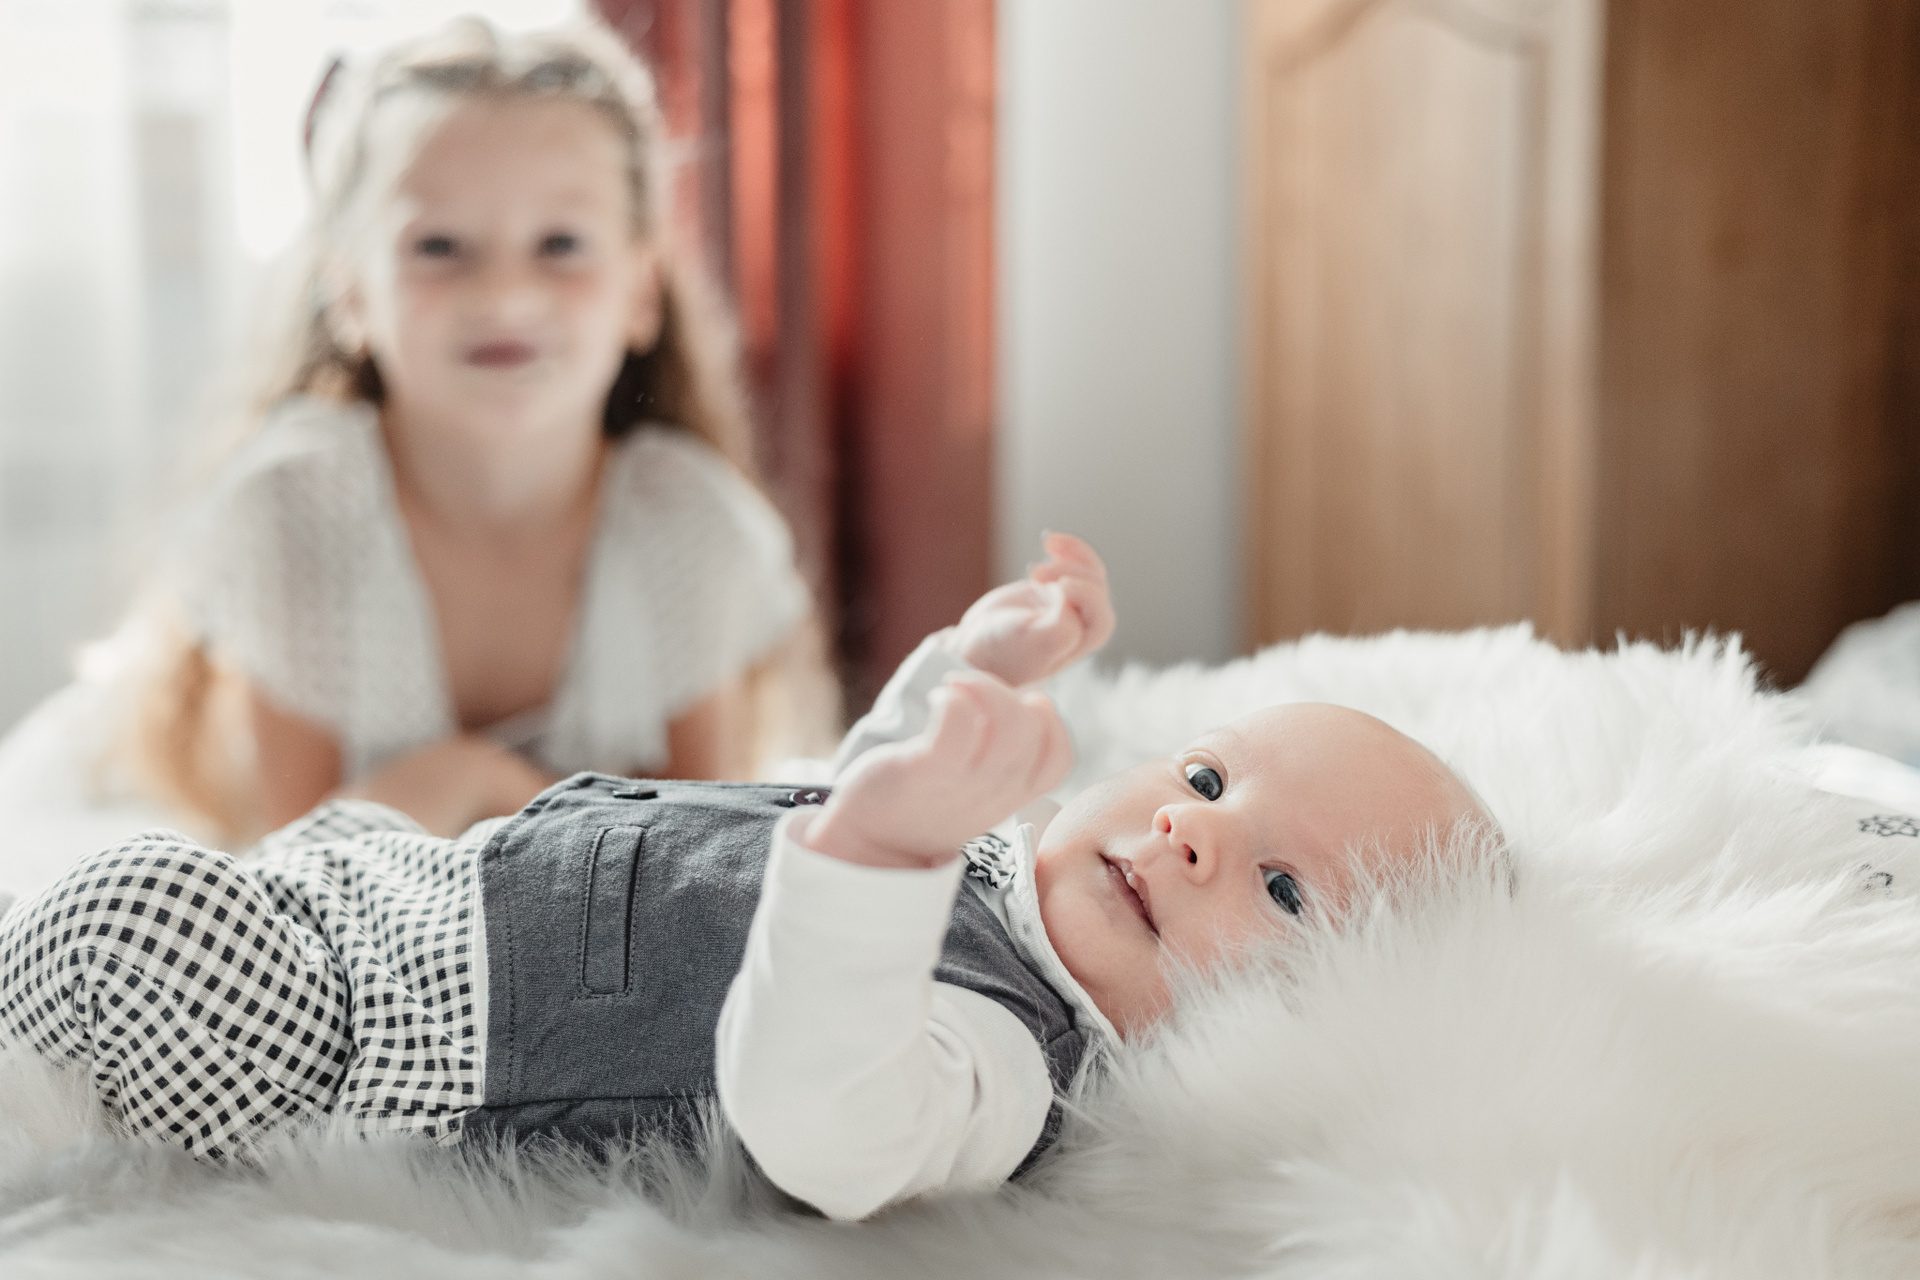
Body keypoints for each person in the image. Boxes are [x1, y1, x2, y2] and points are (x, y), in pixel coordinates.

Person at [0, 535, 1491, 1221]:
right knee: (293, 853)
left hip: (385, 1045)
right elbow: (864, 783)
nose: (1191, 833)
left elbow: (820, 1114)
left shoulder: (1003, 1063)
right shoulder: (990, 866)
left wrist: (884, 854)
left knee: (137, 918)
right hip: (419, 892)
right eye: (1208, 780)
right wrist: (971, 673)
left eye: (1282, 891)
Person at [110, 15, 824, 844]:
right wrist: (480, 789)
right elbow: (302, 882)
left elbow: (697, 874)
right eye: (440, 246)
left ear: (641, 291)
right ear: (350, 295)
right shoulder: (294, 514)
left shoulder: (690, 527)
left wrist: (481, 787)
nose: (504, 295)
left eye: (560, 243)